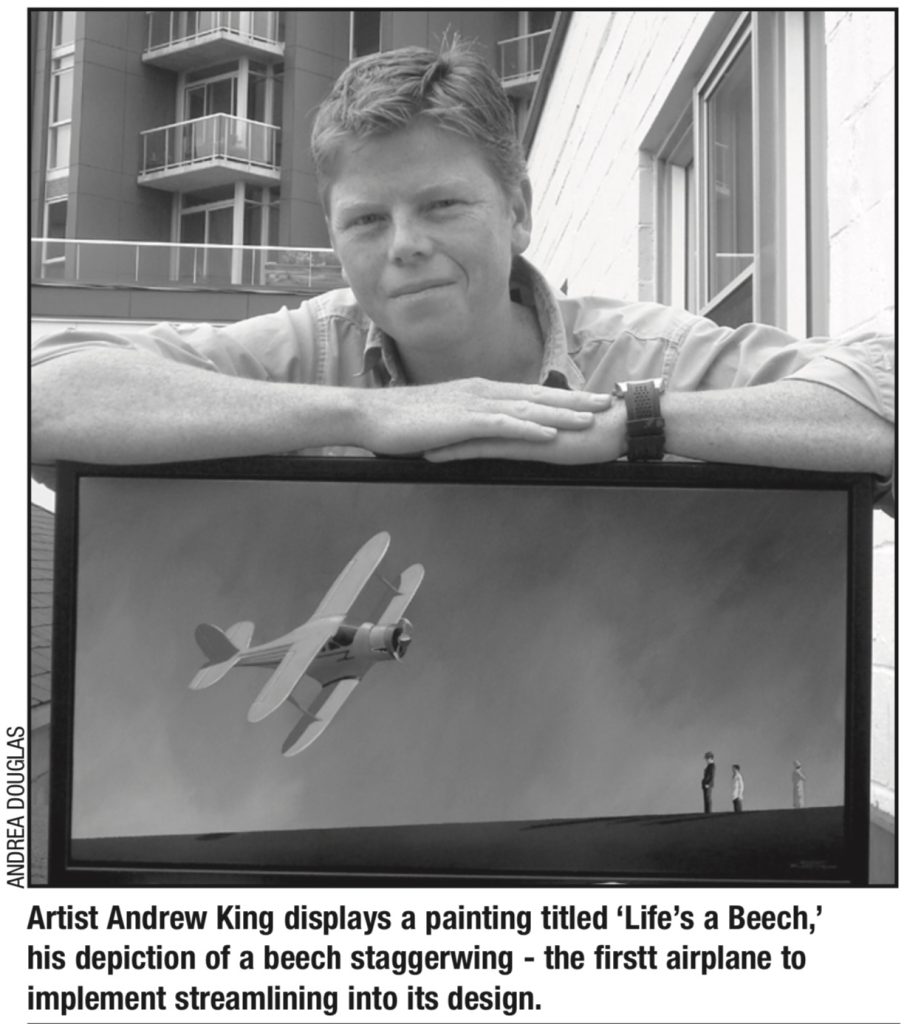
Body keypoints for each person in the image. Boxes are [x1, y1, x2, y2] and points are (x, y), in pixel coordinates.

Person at [31, 42, 895, 502]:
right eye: (367, 219)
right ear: (335, 239)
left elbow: (883, 394)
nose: (403, 243)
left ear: (518, 211)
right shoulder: (301, 349)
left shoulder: (645, 355)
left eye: (442, 206)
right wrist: (369, 415)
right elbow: (41, 394)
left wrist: (634, 428)